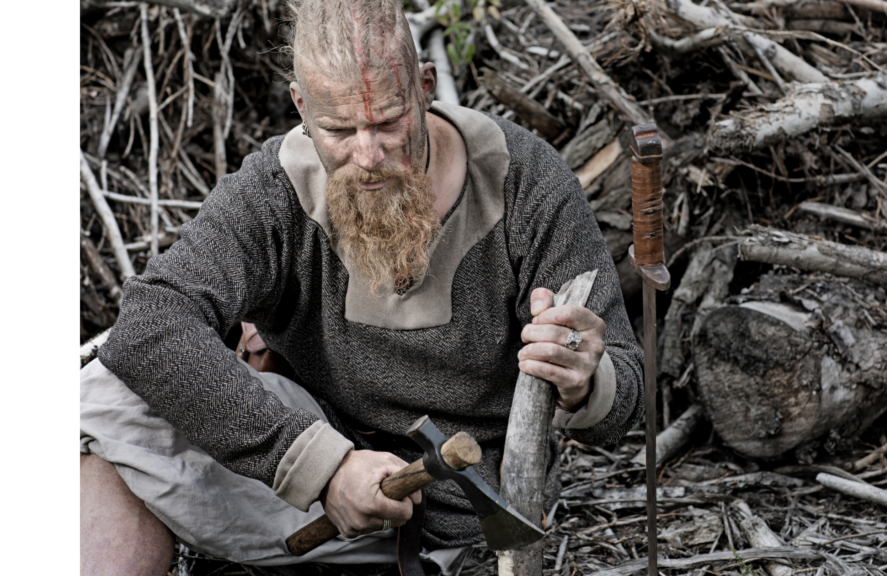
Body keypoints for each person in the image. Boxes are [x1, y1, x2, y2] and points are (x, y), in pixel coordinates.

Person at [79, 0, 643, 574]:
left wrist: (582, 379)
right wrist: (323, 466)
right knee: (101, 391)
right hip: (305, 492)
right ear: (301, 105)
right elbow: (151, 322)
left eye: (389, 121)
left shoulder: (523, 181)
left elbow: (624, 401)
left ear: (424, 88)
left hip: (455, 522)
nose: (368, 156)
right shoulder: (276, 189)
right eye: (338, 130)